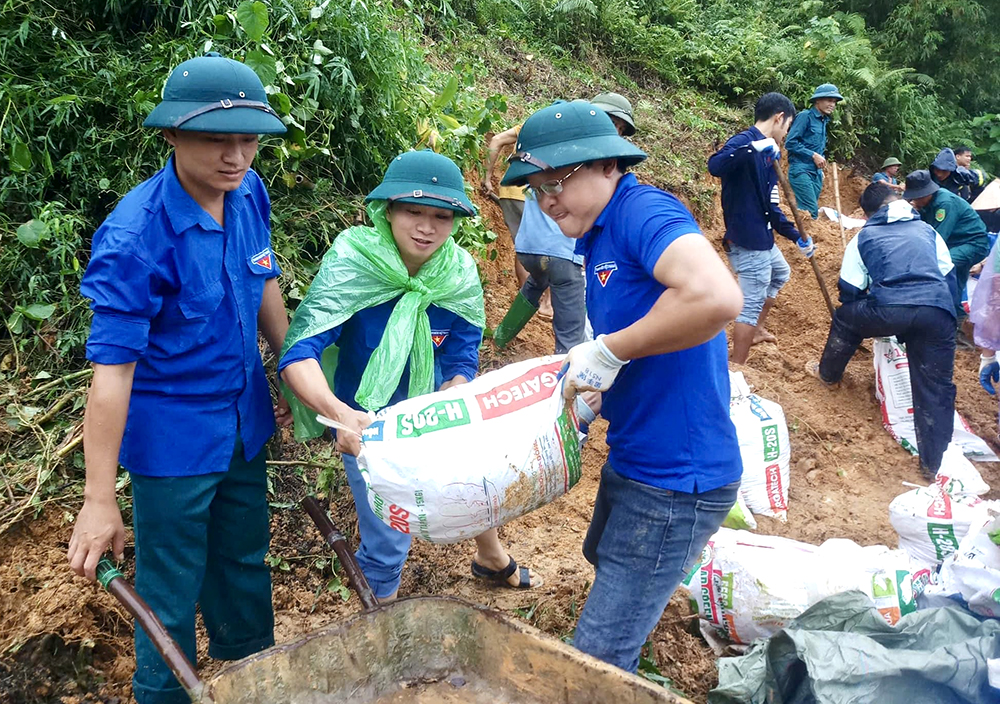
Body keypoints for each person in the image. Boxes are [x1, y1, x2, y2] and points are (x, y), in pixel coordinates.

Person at [67, 53, 292, 704]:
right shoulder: (135, 237)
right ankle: (163, 693)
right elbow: (110, 382)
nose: (236, 156)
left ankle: (258, 679)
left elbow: (263, 278)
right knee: (169, 586)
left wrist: (292, 373)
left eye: (248, 139)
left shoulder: (249, 192)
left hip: (244, 422)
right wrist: (99, 499)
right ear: (169, 135)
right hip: (172, 444)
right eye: (216, 140)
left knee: (245, 564)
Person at [500, 101, 744, 672]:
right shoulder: (595, 236)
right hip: (636, 457)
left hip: (676, 479)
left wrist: (609, 350)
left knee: (597, 660)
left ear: (607, 165)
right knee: (601, 554)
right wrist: (596, 393)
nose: (546, 199)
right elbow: (655, 335)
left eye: (556, 181)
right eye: (537, 189)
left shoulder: (644, 212)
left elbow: (717, 297)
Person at [278, 150, 541, 601]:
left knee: (476, 482)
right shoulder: (356, 262)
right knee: (388, 542)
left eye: (441, 216)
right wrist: (339, 415)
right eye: (412, 211)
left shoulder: (456, 274)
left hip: (428, 414)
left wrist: (453, 397)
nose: (426, 227)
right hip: (365, 423)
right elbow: (301, 349)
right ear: (388, 210)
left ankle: (490, 556)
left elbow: (461, 356)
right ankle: (375, 630)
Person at [807, 183, 957, 479]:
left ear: (869, 213)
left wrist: (871, 315)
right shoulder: (929, 231)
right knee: (935, 389)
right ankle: (932, 466)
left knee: (846, 317)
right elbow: (949, 278)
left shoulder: (864, 236)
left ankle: (828, 374)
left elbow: (849, 290)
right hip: (938, 312)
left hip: (889, 309)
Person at [494, 94, 638, 353]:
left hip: (528, 250)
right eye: (613, 125)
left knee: (536, 283)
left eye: (619, 129)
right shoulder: (585, 171)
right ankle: (567, 377)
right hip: (563, 256)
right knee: (570, 332)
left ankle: (499, 339)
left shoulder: (545, 153)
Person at [708, 92, 812, 364]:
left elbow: (771, 207)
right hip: (746, 239)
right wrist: (752, 149)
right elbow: (715, 165)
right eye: (787, 125)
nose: (786, 133)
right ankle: (737, 367)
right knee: (750, 303)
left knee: (780, 273)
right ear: (779, 118)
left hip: (762, 236)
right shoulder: (746, 142)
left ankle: (755, 330)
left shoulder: (771, 156)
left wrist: (796, 236)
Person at [906, 169, 989, 339]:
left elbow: (937, 238)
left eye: (917, 196)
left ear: (927, 193)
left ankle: (947, 324)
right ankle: (960, 325)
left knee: (941, 267)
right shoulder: (928, 204)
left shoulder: (945, 203)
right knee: (955, 283)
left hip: (972, 243)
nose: (915, 200)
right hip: (955, 244)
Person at [483, 123, 552, 319]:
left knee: (522, 245)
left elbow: (496, 140)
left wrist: (487, 177)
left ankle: (527, 299)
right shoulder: (564, 129)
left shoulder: (528, 125)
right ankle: (547, 303)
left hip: (510, 191)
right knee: (550, 247)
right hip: (539, 192)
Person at [785, 83, 843, 218]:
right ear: (818, 100)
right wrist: (813, 155)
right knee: (810, 210)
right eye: (829, 100)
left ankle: (800, 236)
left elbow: (817, 146)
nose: (832, 104)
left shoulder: (823, 121)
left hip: (816, 172)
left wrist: (819, 167)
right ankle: (804, 238)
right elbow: (790, 142)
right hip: (801, 170)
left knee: (808, 212)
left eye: (834, 102)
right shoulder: (805, 116)